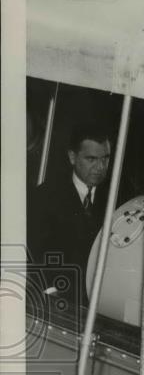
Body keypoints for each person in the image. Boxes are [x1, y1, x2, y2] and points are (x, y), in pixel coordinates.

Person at [27, 122, 112, 304]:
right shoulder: (45, 196)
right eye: (91, 159)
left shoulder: (116, 198)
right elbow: (33, 251)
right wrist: (50, 290)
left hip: (101, 302)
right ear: (72, 157)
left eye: (105, 159)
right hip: (53, 297)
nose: (100, 167)